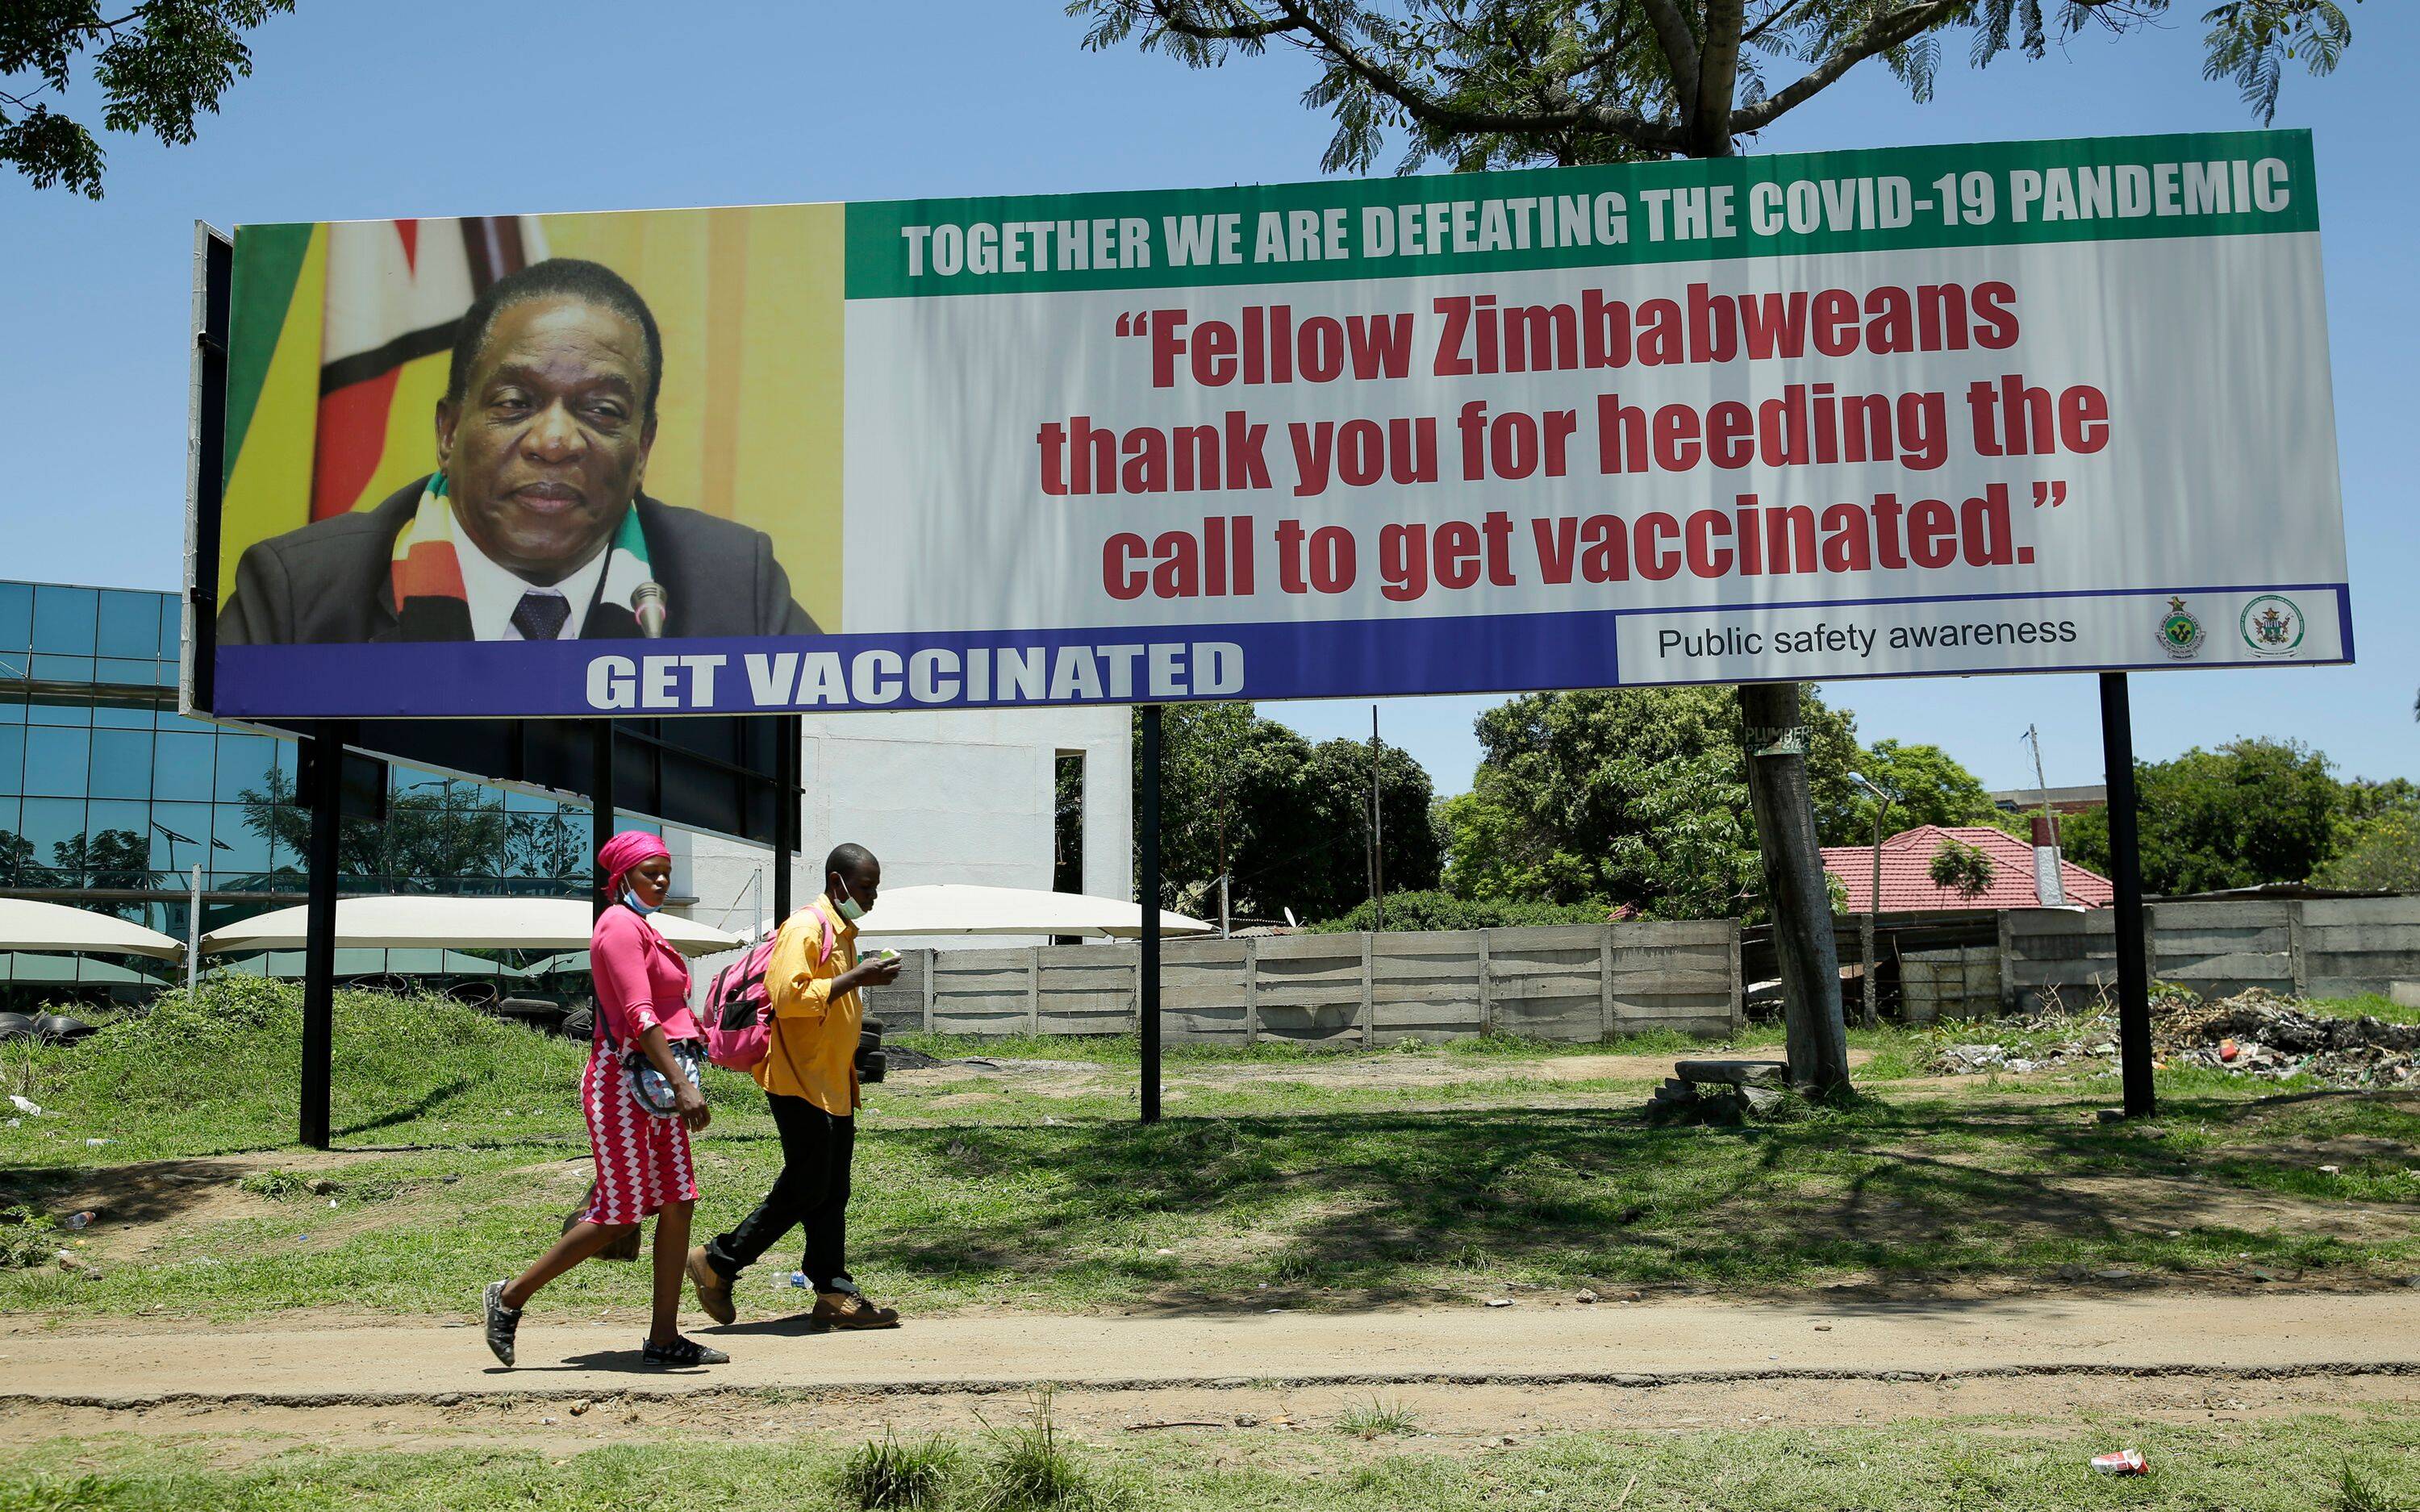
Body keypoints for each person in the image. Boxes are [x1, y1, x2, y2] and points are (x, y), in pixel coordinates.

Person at [219, 257, 816, 644]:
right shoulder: (298, 596)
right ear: (449, 431)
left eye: (602, 411)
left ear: (643, 449)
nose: (554, 441)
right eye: (514, 402)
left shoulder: (737, 592)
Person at [484, 831, 728, 1368]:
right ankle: (509, 1297)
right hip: (622, 1084)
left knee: (679, 1200)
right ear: (622, 880)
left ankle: (664, 1337)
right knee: (619, 1215)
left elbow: (664, 1012)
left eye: (665, 871)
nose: (661, 880)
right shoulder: (618, 926)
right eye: (649, 872)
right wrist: (684, 1085)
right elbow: (640, 1016)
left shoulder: (644, 928)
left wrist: (703, 1043)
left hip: (656, 1085)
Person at [686, 843, 904, 1330]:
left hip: (832, 1080)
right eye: (865, 887)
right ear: (838, 882)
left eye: (875, 888)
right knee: (809, 1184)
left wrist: (863, 976)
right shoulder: (806, 926)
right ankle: (718, 1260)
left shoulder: (843, 930)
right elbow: (789, 999)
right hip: (797, 1079)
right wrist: (857, 977)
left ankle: (832, 1291)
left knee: (832, 1189)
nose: (872, 898)